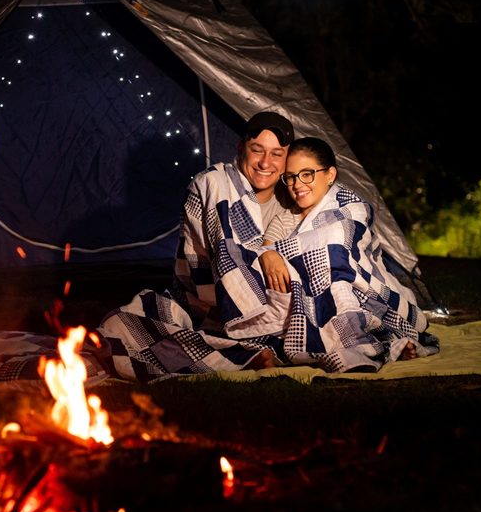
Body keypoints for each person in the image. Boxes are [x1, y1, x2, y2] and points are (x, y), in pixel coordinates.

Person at [96, 111, 296, 381]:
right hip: (203, 306)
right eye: (257, 150)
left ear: (287, 159)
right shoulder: (214, 184)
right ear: (241, 149)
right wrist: (265, 256)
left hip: (271, 314)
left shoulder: (296, 200)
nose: (265, 163)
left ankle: (242, 350)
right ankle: (242, 353)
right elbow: (216, 259)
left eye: (276, 154)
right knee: (116, 328)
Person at [255, 136, 438, 372]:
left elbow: (349, 253)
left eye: (307, 174)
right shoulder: (284, 220)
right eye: (290, 177)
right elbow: (267, 250)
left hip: (356, 292)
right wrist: (268, 254)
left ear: (330, 175)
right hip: (304, 301)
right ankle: (375, 345)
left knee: (341, 284)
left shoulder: (348, 209)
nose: (297, 184)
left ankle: (369, 342)